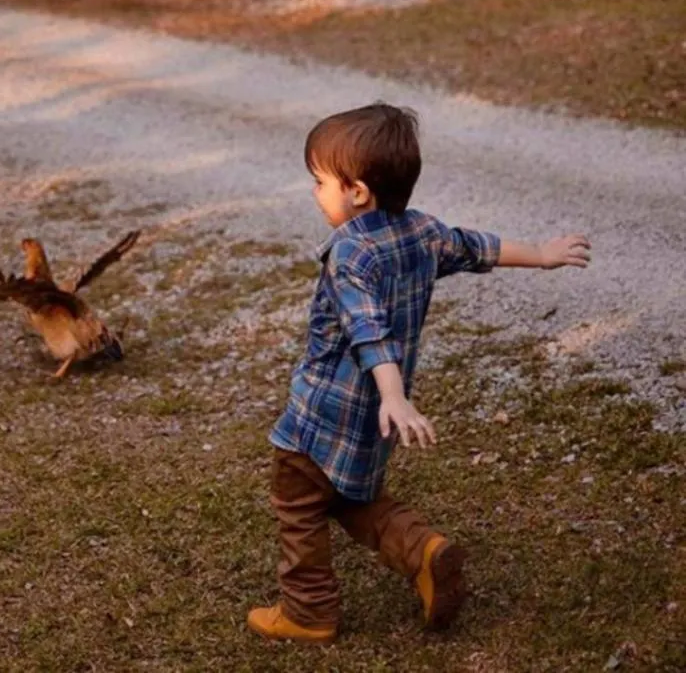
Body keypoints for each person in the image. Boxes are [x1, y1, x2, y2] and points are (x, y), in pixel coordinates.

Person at [248, 102, 591, 643]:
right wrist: (541, 255)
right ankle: (424, 552)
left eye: (320, 182)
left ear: (357, 191)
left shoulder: (351, 255)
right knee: (351, 499)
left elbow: (367, 330)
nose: (315, 192)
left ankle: (308, 611)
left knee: (297, 504)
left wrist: (393, 396)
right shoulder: (421, 232)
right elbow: (478, 247)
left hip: (325, 413)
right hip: (373, 420)